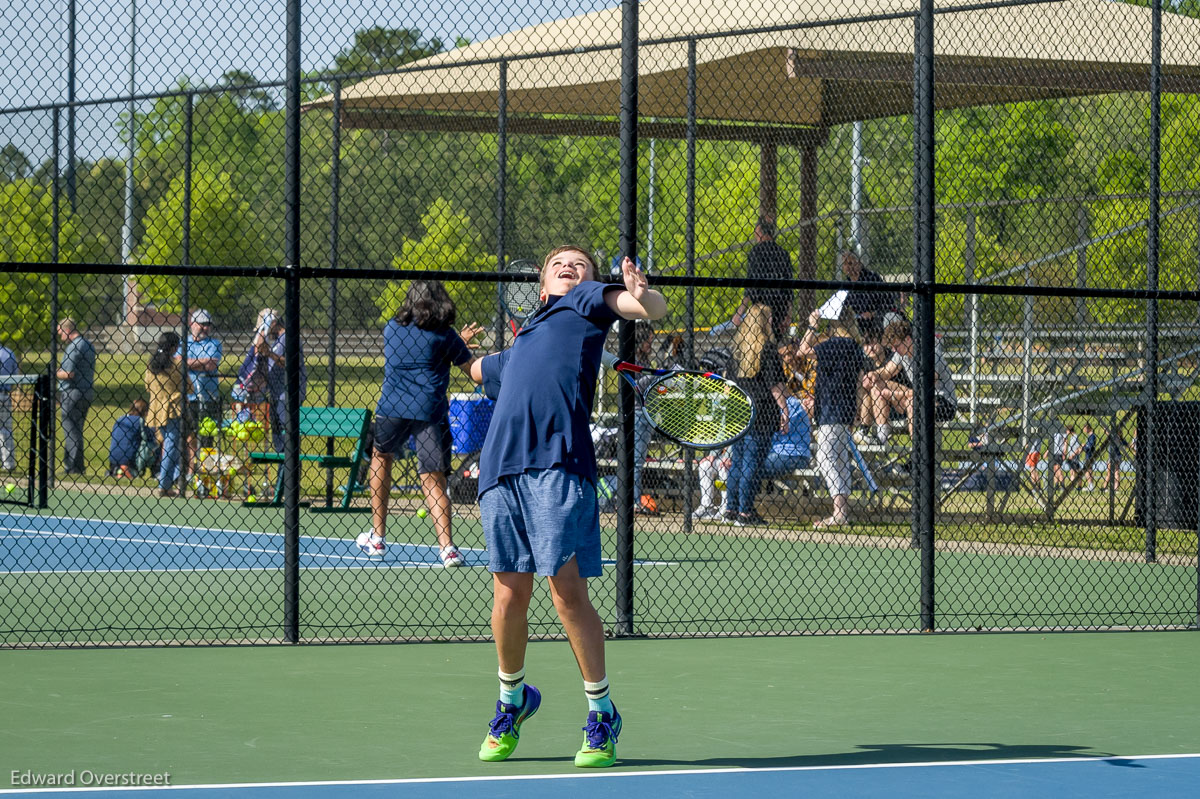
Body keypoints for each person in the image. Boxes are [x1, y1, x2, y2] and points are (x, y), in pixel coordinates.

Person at [468, 247, 665, 768]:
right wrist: (445, 343)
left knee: (565, 593)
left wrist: (643, 298)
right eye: (560, 263)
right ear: (540, 284)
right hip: (499, 472)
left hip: (557, 465)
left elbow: (647, 309)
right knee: (508, 599)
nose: (571, 267)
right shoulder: (524, 339)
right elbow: (476, 370)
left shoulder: (583, 304)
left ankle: (602, 713)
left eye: (580, 264)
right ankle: (513, 700)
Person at [354, 280, 482, 567]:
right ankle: (447, 548)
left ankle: (377, 537)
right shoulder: (446, 336)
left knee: (380, 457)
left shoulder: (391, 328)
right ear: (440, 301)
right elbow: (474, 372)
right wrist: (499, 358)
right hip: (429, 410)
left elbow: (419, 348)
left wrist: (454, 343)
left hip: (392, 408)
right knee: (433, 477)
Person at [798, 305, 867, 529]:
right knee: (840, 460)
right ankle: (843, 511)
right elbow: (859, 382)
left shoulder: (833, 344)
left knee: (826, 459)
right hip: (846, 409)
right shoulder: (856, 347)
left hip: (829, 408)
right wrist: (857, 408)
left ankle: (838, 512)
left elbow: (802, 351)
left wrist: (812, 325)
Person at [727, 303, 789, 526]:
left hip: (739, 409)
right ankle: (745, 511)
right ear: (763, 323)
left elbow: (729, 383)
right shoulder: (767, 349)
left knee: (739, 460)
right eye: (769, 318)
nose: (772, 322)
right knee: (752, 462)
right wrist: (785, 410)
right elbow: (775, 386)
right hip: (761, 411)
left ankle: (732, 508)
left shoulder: (738, 350)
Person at [862, 318, 958, 443]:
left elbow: (925, 389)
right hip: (916, 396)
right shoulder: (901, 353)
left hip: (942, 402)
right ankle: (881, 436)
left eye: (896, 346)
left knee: (913, 402)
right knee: (878, 385)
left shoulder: (929, 354)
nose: (894, 350)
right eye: (892, 348)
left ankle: (917, 453)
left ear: (907, 340)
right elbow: (887, 371)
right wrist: (873, 374)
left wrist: (894, 395)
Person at [175, 309, 223, 475]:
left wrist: (188, 363)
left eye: (207, 324)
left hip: (209, 397)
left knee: (207, 436)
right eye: (201, 324)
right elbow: (177, 362)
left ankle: (206, 471)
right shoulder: (183, 342)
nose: (205, 328)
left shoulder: (215, 343)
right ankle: (189, 472)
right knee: (188, 436)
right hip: (188, 396)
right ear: (192, 324)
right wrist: (201, 361)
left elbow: (211, 365)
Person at [730, 217, 794, 336]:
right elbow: (789, 289)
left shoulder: (756, 252)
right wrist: (788, 315)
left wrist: (740, 312)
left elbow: (751, 286)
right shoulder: (783, 253)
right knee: (774, 343)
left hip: (761, 309)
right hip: (780, 310)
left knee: (759, 342)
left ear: (759, 231)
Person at [145, 331, 184, 497]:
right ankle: (165, 485)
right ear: (174, 347)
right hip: (173, 410)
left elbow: (147, 385)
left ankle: (165, 480)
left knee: (166, 445)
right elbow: (187, 385)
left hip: (156, 409)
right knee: (171, 446)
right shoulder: (176, 366)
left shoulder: (151, 365)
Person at [56, 318, 96, 476]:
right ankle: (75, 466)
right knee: (76, 429)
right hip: (86, 392)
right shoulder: (88, 344)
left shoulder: (74, 347)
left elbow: (69, 373)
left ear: (67, 330)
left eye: (60, 332)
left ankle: (73, 466)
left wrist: (55, 372)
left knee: (70, 429)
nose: (60, 336)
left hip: (72, 392)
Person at [839, 249, 897, 342]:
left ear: (858, 263)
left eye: (850, 263)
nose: (847, 267)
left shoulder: (872, 278)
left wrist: (872, 313)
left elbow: (889, 303)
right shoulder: (846, 285)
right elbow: (842, 307)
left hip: (876, 319)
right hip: (857, 322)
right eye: (844, 264)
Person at [108, 400, 149, 479]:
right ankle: (128, 470)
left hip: (113, 457)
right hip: (129, 457)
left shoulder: (120, 419)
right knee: (151, 445)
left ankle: (118, 470)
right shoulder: (140, 421)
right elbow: (149, 438)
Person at [692, 447, 732, 520]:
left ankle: (725, 507)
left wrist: (728, 456)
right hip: (721, 456)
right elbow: (721, 436)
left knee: (724, 468)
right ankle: (707, 507)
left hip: (734, 456)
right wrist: (712, 454)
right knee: (704, 466)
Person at [0, 343, 19, 471]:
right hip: (4, 395)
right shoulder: (9, 353)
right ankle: (8, 463)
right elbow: (15, 376)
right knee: (6, 430)